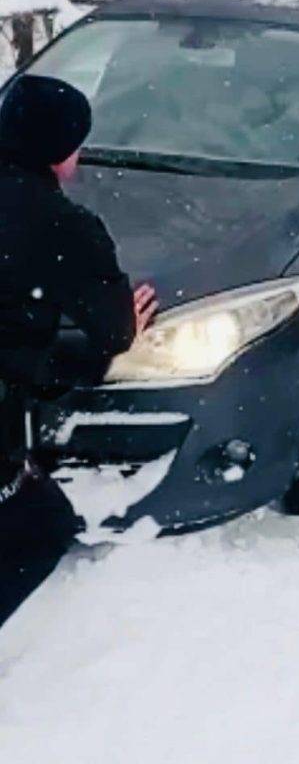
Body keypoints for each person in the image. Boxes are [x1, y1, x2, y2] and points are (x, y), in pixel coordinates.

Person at [0, 74, 158, 629]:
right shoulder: (63, 224)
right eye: (76, 144)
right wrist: (126, 323)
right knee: (40, 525)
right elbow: (113, 334)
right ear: (59, 150)